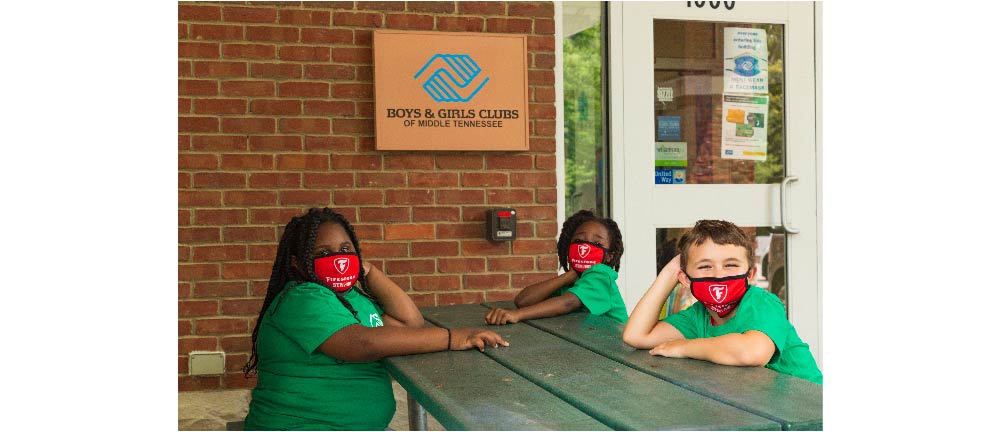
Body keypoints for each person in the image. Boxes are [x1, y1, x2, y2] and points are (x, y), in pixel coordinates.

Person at [242, 208, 508, 430]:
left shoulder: (349, 296)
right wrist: (452, 338)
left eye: (346, 250)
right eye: (323, 254)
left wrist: (370, 272)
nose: (338, 259)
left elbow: (409, 324)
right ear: (298, 264)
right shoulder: (303, 296)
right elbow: (361, 343)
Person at [622, 219, 822, 384]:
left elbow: (751, 352)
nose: (718, 275)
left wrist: (683, 347)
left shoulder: (763, 303)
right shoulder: (698, 315)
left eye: (731, 265)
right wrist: (669, 273)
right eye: (705, 267)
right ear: (684, 278)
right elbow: (636, 335)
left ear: (750, 274)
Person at [484, 209, 627, 325]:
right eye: (578, 240)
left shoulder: (601, 275)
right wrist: (567, 276)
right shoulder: (574, 280)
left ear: (610, 256)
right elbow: (523, 301)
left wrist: (517, 315)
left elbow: (569, 303)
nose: (585, 247)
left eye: (596, 244)